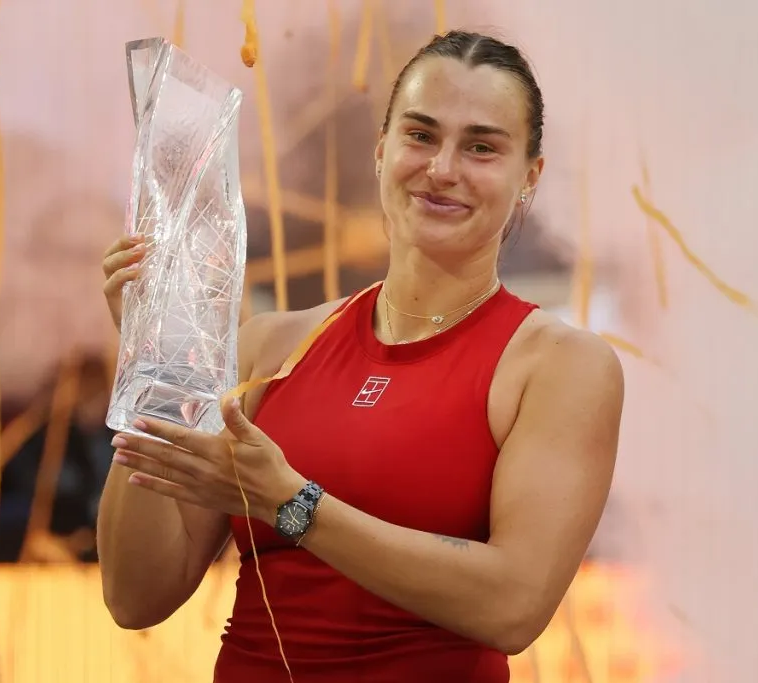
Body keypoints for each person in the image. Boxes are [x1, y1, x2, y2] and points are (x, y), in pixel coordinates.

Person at [96, 30, 624, 682]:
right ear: (381, 151)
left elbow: (513, 604)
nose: (443, 168)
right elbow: (135, 594)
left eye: (481, 147)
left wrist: (290, 501)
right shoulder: (273, 346)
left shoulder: (557, 365)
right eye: (421, 135)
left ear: (529, 178)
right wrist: (156, 361)